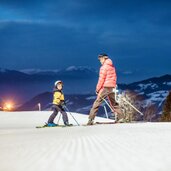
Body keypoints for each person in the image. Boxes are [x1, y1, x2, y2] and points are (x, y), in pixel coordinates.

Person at [87, 53, 124, 125]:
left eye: (100, 59)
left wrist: (97, 89)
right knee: (114, 103)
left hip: (106, 87)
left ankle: (91, 119)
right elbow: (115, 77)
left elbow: (101, 79)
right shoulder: (112, 66)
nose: (100, 61)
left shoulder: (103, 67)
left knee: (97, 102)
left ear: (104, 58)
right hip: (112, 87)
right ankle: (121, 117)